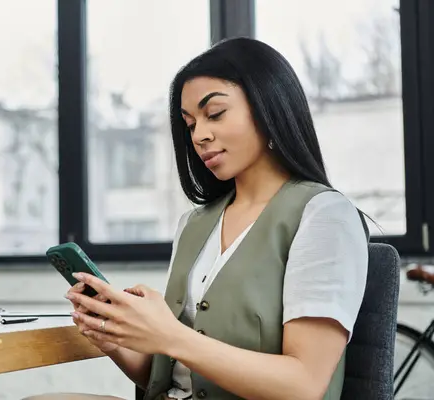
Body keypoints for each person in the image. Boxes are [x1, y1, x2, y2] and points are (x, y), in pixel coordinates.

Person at [26, 37, 368, 400]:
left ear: (270, 107)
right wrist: (117, 335)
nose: (200, 136)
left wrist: (170, 335)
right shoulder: (194, 224)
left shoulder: (324, 216)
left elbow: (304, 386)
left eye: (215, 114)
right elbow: (166, 375)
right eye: (189, 125)